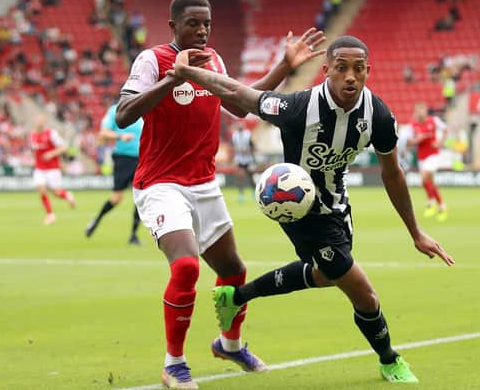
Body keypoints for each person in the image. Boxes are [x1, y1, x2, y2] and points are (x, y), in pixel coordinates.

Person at [170, 35, 455, 385]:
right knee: (364, 294)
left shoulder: (377, 114)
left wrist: (415, 232)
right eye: (341, 68)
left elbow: (392, 173)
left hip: (337, 205)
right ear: (326, 71)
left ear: (368, 71)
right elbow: (237, 94)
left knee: (324, 274)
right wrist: (188, 72)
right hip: (298, 209)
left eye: (359, 69)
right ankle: (390, 359)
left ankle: (236, 296)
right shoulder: (299, 108)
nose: (350, 76)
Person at [114, 0, 326, 389]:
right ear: (173, 26)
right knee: (187, 266)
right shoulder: (153, 60)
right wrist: (173, 78)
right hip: (161, 184)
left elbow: (242, 105)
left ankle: (229, 344)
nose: (202, 30)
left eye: (207, 23)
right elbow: (125, 114)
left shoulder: (213, 61)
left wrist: (284, 65)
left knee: (233, 270)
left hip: (204, 184)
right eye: (193, 23)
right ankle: (174, 364)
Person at [85, 102, 143, 245]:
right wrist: (120, 136)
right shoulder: (115, 110)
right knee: (116, 198)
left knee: (141, 197)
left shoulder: (144, 106)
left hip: (143, 158)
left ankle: (133, 235)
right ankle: (96, 220)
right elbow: (103, 133)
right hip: (123, 159)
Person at [29, 114, 75, 225]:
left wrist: (52, 153)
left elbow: (64, 147)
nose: (39, 122)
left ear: (44, 122)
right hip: (39, 168)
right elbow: (34, 150)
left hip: (52, 168)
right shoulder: (33, 135)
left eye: (40, 120)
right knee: (42, 190)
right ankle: (50, 215)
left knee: (56, 192)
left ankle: (67, 195)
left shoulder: (51, 133)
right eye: (37, 120)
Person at [408, 103, 449, 222]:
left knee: (424, 176)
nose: (419, 113)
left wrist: (440, 143)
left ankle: (431, 202)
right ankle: (441, 206)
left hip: (433, 155)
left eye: (421, 111)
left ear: (425, 111)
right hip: (421, 157)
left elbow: (446, 129)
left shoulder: (434, 121)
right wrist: (417, 139)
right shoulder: (413, 125)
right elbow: (409, 142)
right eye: (417, 111)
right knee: (428, 181)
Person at [230, 121, 256, 203]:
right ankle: (241, 194)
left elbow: (252, 146)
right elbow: (233, 146)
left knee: (250, 177)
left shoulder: (247, 134)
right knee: (240, 176)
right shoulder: (235, 136)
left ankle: (254, 193)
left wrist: (248, 151)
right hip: (239, 158)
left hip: (248, 158)